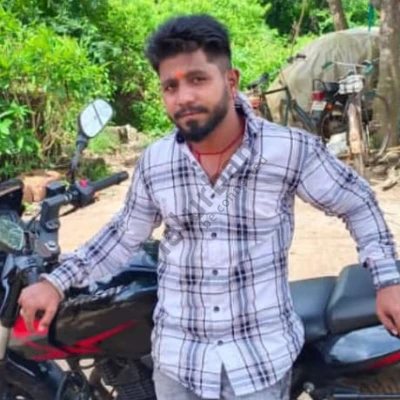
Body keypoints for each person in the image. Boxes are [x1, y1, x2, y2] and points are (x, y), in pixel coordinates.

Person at [18, 14, 400, 400]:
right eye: (170, 86)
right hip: (179, 365)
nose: (183, 97)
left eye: (197, 79)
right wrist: (55, 282)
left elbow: (357, 201)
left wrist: (387, 280)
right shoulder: (156, 161)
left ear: (231, 81)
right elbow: (122, 235)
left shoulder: (288, 150)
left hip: (258, 364)